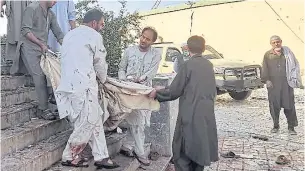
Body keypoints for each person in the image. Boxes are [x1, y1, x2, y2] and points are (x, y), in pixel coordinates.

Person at [55, 9, 119, 169]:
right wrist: (104, 80)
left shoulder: (69, 35)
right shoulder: (94, 36)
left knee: (95, 119)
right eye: (102, 24)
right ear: (94, 23)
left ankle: (101, 156)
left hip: (69, 86)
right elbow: (100, 62)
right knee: (88, 121)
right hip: (84, 86)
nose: (102, 27)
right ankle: (69, 155)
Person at [150, 35, 219, 171]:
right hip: (206, 114)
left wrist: (157, 93)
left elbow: (175, 91)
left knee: (182, 151)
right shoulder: (208, 65)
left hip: (190, 113)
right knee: (200, 148)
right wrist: (164, 88)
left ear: (187, 48)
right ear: (203, 48)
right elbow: (193, 85)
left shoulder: (188, 65)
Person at [10, 0, 64, 120]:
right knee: (39, 76)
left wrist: (68, 46)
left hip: (42, 49)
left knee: (54, 73)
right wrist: (41, 44)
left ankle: (53, 103)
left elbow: (59, 33)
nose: (56, 2)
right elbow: (25, 31)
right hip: (28, 47)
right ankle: (43, 109)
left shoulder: (51, 14)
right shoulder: (32, 8)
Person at [118, 26, 162, 166]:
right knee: (134, 121)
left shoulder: (156, 54)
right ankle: (139, 152)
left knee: (141, 122)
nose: (143, 40)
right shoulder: (129, 50)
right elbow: (121, 68)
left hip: (144, 91)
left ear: (152, 42)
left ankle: (131, 148)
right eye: (142, 36)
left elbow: (152, 72)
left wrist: (139, 79)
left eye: (147, 39)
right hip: (128, 90)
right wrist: (124, 80)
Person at [261, 35, 303, 135]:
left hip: (286, 84)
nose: (276, 44)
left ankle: (291, 127)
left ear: (281, 42)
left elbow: (295, 65)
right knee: (274, 106)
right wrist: (267, 80)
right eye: (274, 42)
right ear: (271, 44)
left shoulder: (287, 53)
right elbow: (264, 68)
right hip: (273, 85)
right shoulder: (267, 55)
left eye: (278, 42)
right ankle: (275, 126)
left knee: (289, 105)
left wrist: (294, 79)